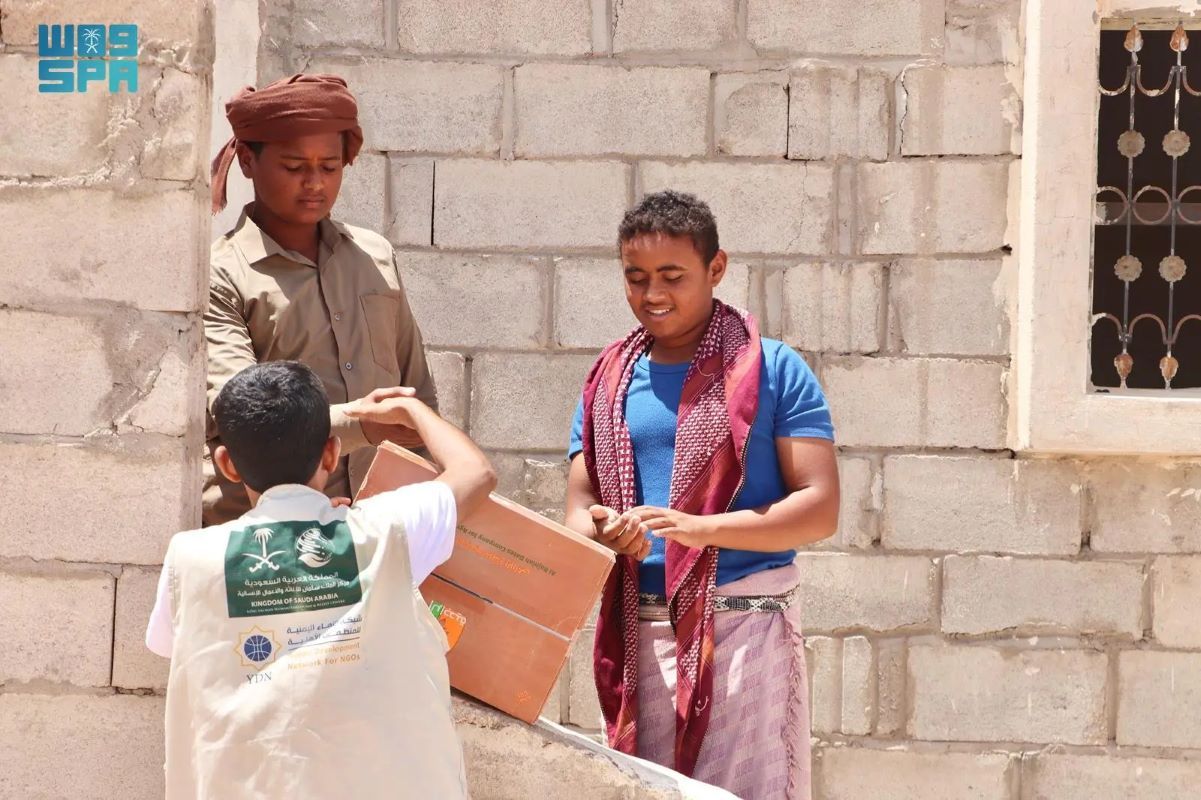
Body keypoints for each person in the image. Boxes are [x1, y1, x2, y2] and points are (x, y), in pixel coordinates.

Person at [564, 191, 840, 800]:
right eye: (635, 278)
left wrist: (701, 528)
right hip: (638, 642)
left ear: (716, 269)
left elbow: (819, 507)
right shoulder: (608, 379)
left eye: (672, 277)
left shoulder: (772, 368)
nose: (652, 295)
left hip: (746, 636)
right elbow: (578, 509)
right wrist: (607, 528)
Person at [145, 361, 494, 799]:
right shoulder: (384, 532)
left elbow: (167, 646)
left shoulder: (191, 558)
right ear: (332, 454)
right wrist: (410, 410)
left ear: (227, 465)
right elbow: (476, 472)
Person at [205, 72, 436, 524]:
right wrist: (360, 424)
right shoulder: (221, 276)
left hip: (376, 530)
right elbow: (245, 420)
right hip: (269, 547)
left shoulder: (375, 257)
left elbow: (419, 394)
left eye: (329, 167)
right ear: (248, 161)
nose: (314, 183)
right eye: (294, 167)